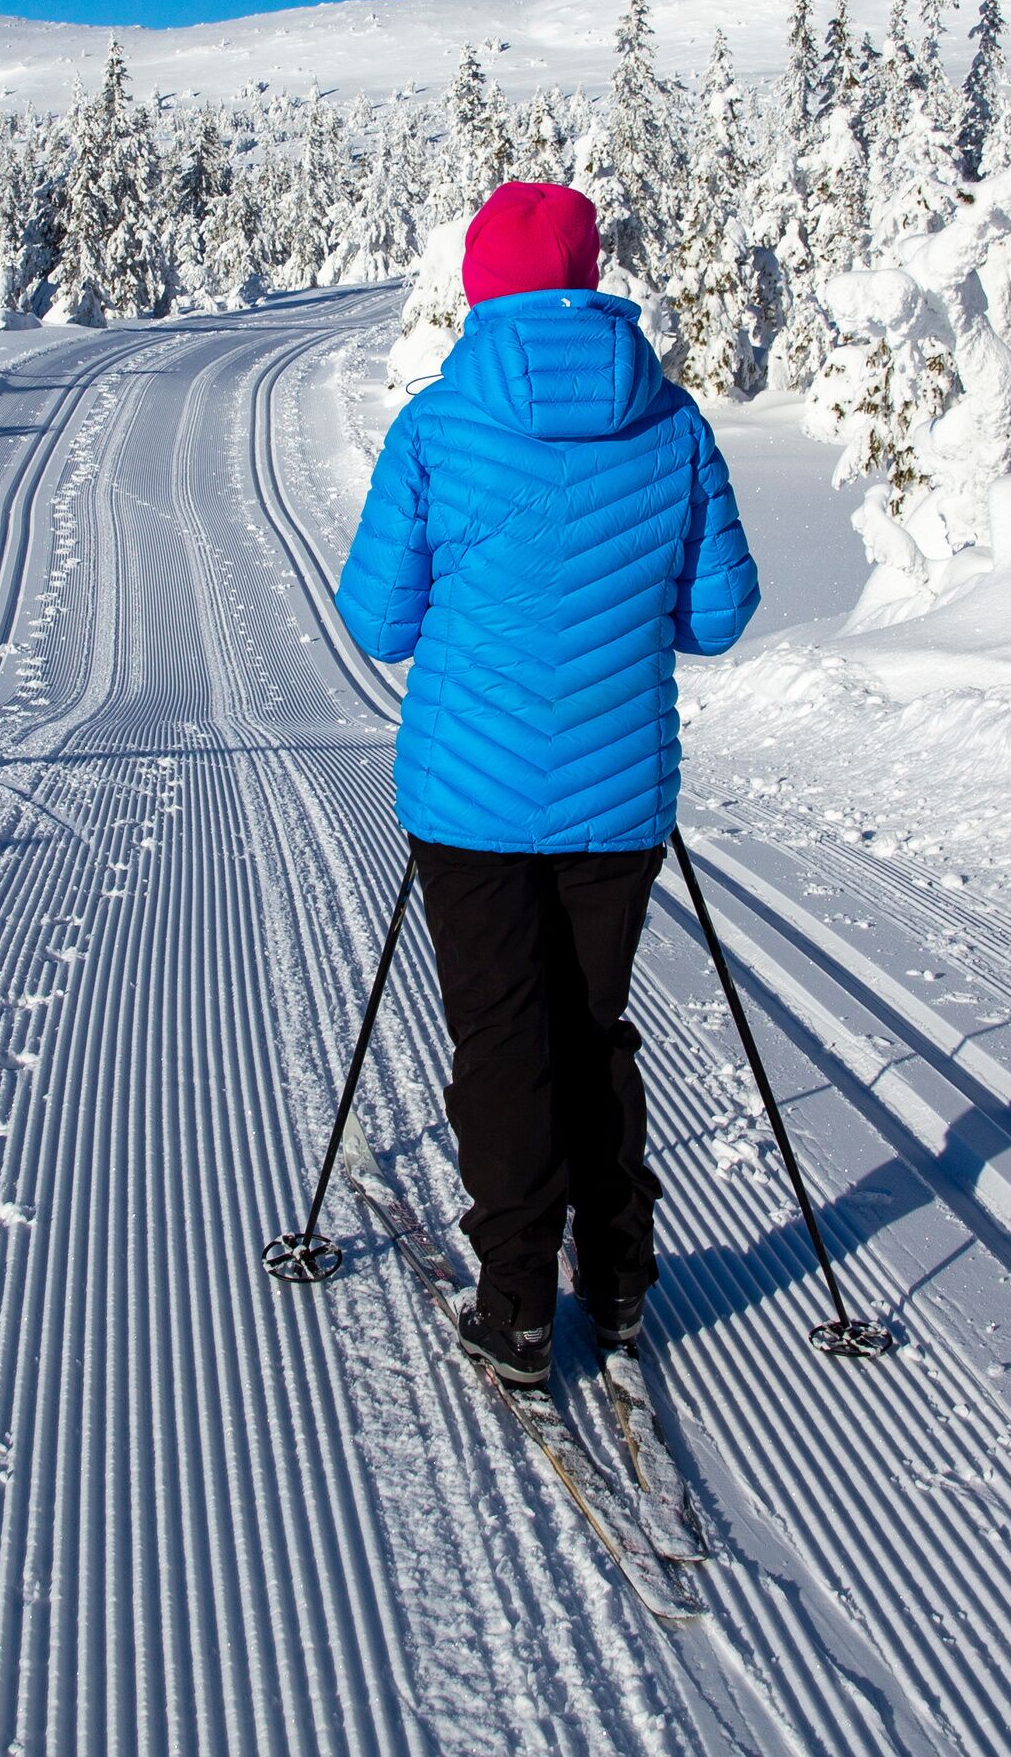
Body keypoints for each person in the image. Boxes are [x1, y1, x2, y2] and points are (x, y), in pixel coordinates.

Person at [335, 180, 760, 1386]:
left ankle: (516, 1301)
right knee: (592, 1030)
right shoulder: (672, 422)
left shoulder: (435, 424)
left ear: (482, 286)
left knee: (502, 1037)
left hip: (468, 801)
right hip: (617, 796)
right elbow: (720, 615)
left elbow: (377, 619)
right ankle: (619, 1283)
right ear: (591, 272)